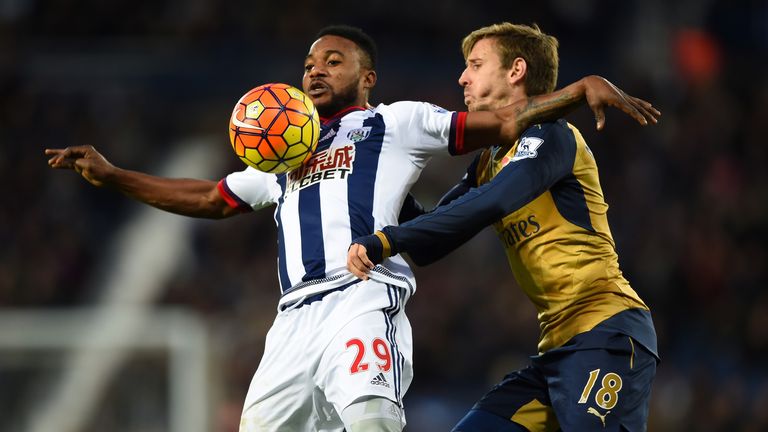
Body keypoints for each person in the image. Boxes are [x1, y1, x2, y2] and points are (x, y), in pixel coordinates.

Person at [47, 24, 658, 432]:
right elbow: (211, 196)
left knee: (370, 421)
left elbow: (502, 140)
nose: (314, 71)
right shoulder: (284, 156)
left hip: (369, 301)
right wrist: (117, 175)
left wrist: (577, 91)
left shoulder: (398, 122)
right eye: (308, 62)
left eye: (331, 61)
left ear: (367, 78)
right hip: (291, 321)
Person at [347, 22, 659, 431]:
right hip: (555, 355)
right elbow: (429, 243)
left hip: (608, 335)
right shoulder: (491, 158)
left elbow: (494, 200)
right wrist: (383, 169)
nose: (463, 77)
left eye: (476, 64)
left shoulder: (553, 136)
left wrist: (386, 240)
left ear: (516, 71)